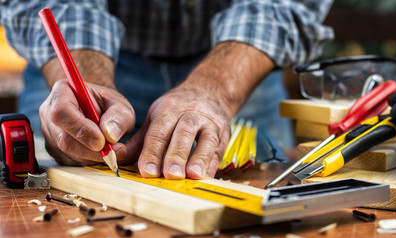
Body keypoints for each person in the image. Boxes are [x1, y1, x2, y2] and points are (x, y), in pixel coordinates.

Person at [0, 0, 334, 180]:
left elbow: (283, 5)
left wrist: (215, 90)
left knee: (274, 185)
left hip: (244, 65)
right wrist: (88, 81)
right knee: (48, 184)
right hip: (93, 56)